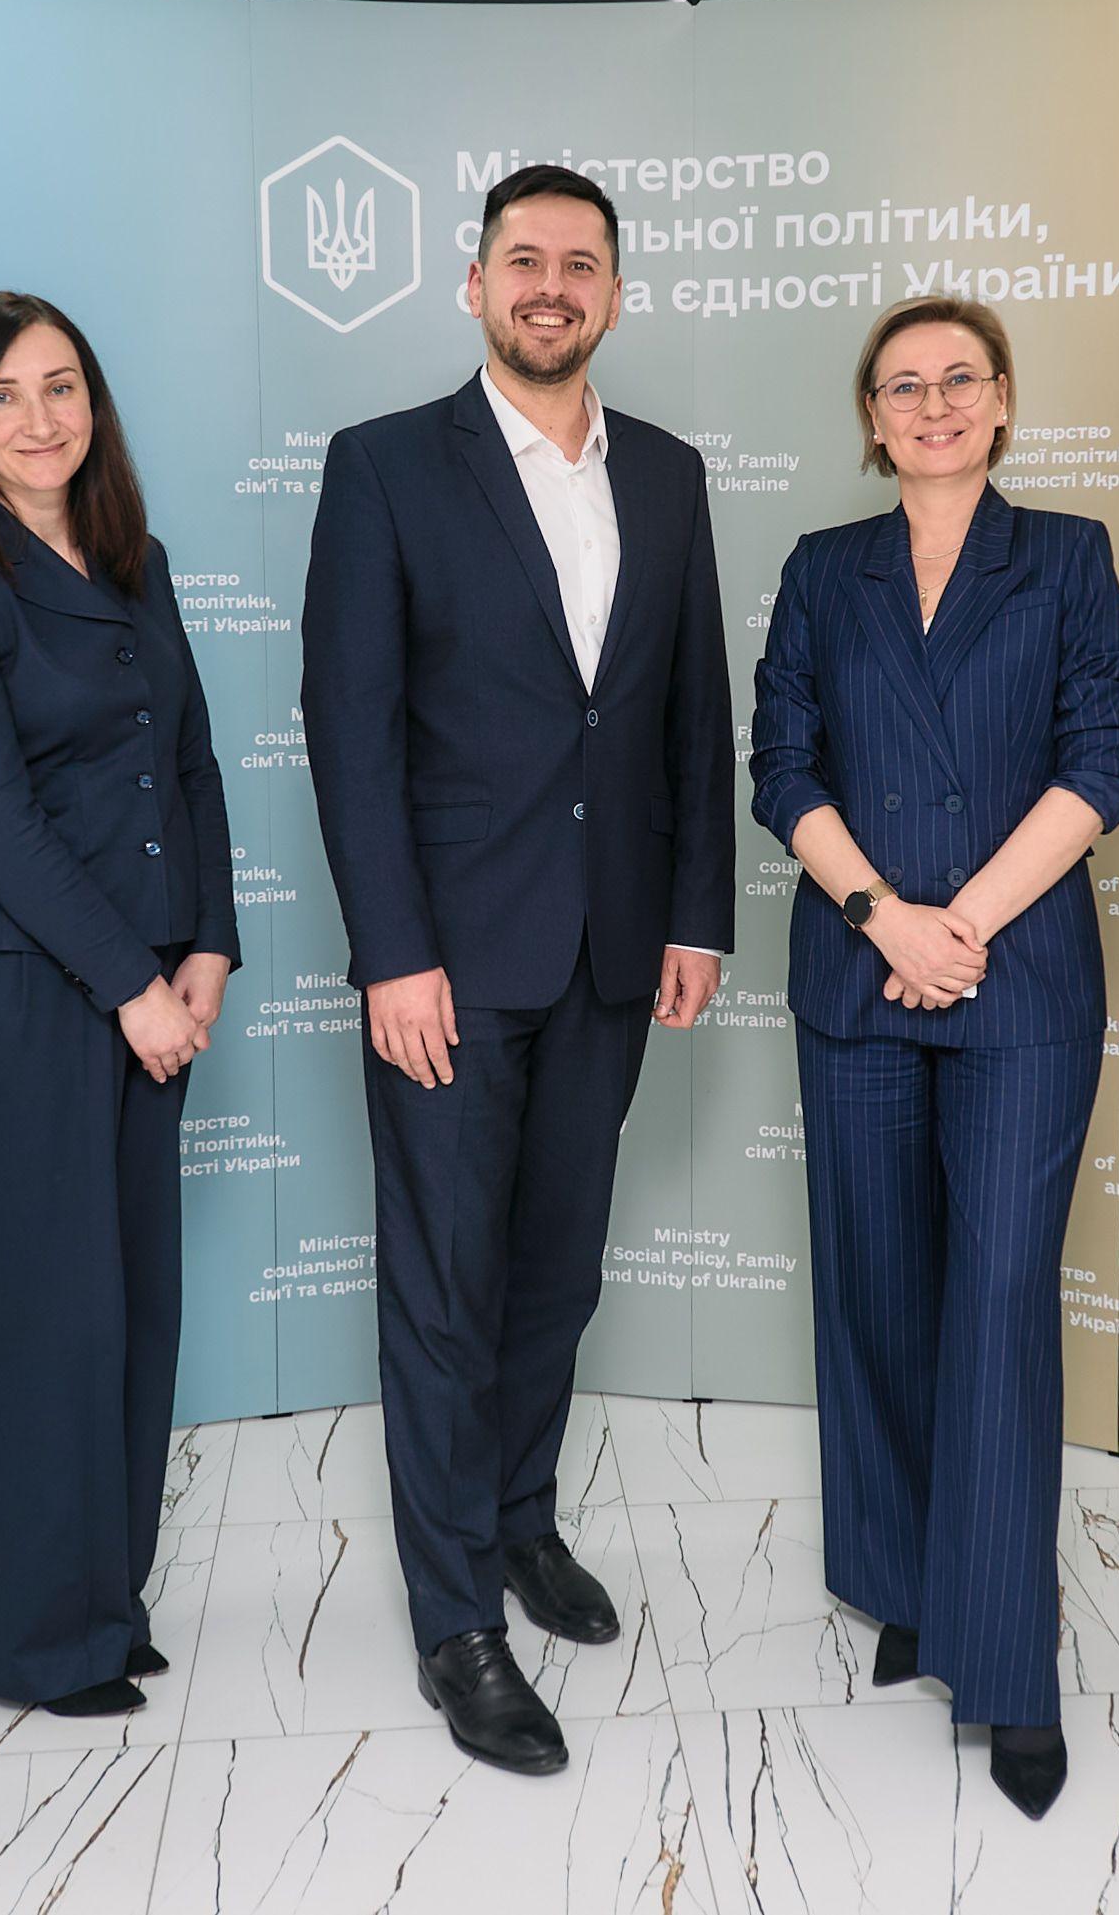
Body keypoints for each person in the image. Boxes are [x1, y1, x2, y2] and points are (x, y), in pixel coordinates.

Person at [301, 164, 736, 1776]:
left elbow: (689, 709)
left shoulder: (670, 474)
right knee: (444, 1290)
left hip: (611, 950)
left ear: (615, 293)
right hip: (451, 964)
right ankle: (453, 1620)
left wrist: (696, 913)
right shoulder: (385, 466)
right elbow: (348, 731)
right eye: (524, 259)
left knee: (554, 1274)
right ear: (472, 282)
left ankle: (518, 1517)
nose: (552, 285)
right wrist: (392, 952)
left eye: (581, 263)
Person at [750, 296, 1119, 1819]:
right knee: (878, 1289)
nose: (932, 404)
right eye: (902, 385)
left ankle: (1009, 1667)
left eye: (958, 380)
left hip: (1015, 979)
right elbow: (781, 766)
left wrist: (956, 925)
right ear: (871, 415)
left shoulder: (1066, 557)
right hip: (858, 975)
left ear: (1002, 401)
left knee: (997, 1305)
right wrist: (882, 917)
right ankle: (910, 1582)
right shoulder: (822, 568)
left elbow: (1100, 762)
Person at [0, 292, 241, 1721]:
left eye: (62, 386)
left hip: (152, 982)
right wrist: (135, 982)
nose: (40, 418)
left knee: (132, 1313)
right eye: (5, 395)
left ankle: (105, 1602)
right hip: (29, 989)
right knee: (42, 1320)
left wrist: (208, 943)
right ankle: (35, 1641)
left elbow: (191, 761)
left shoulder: (136, 560)